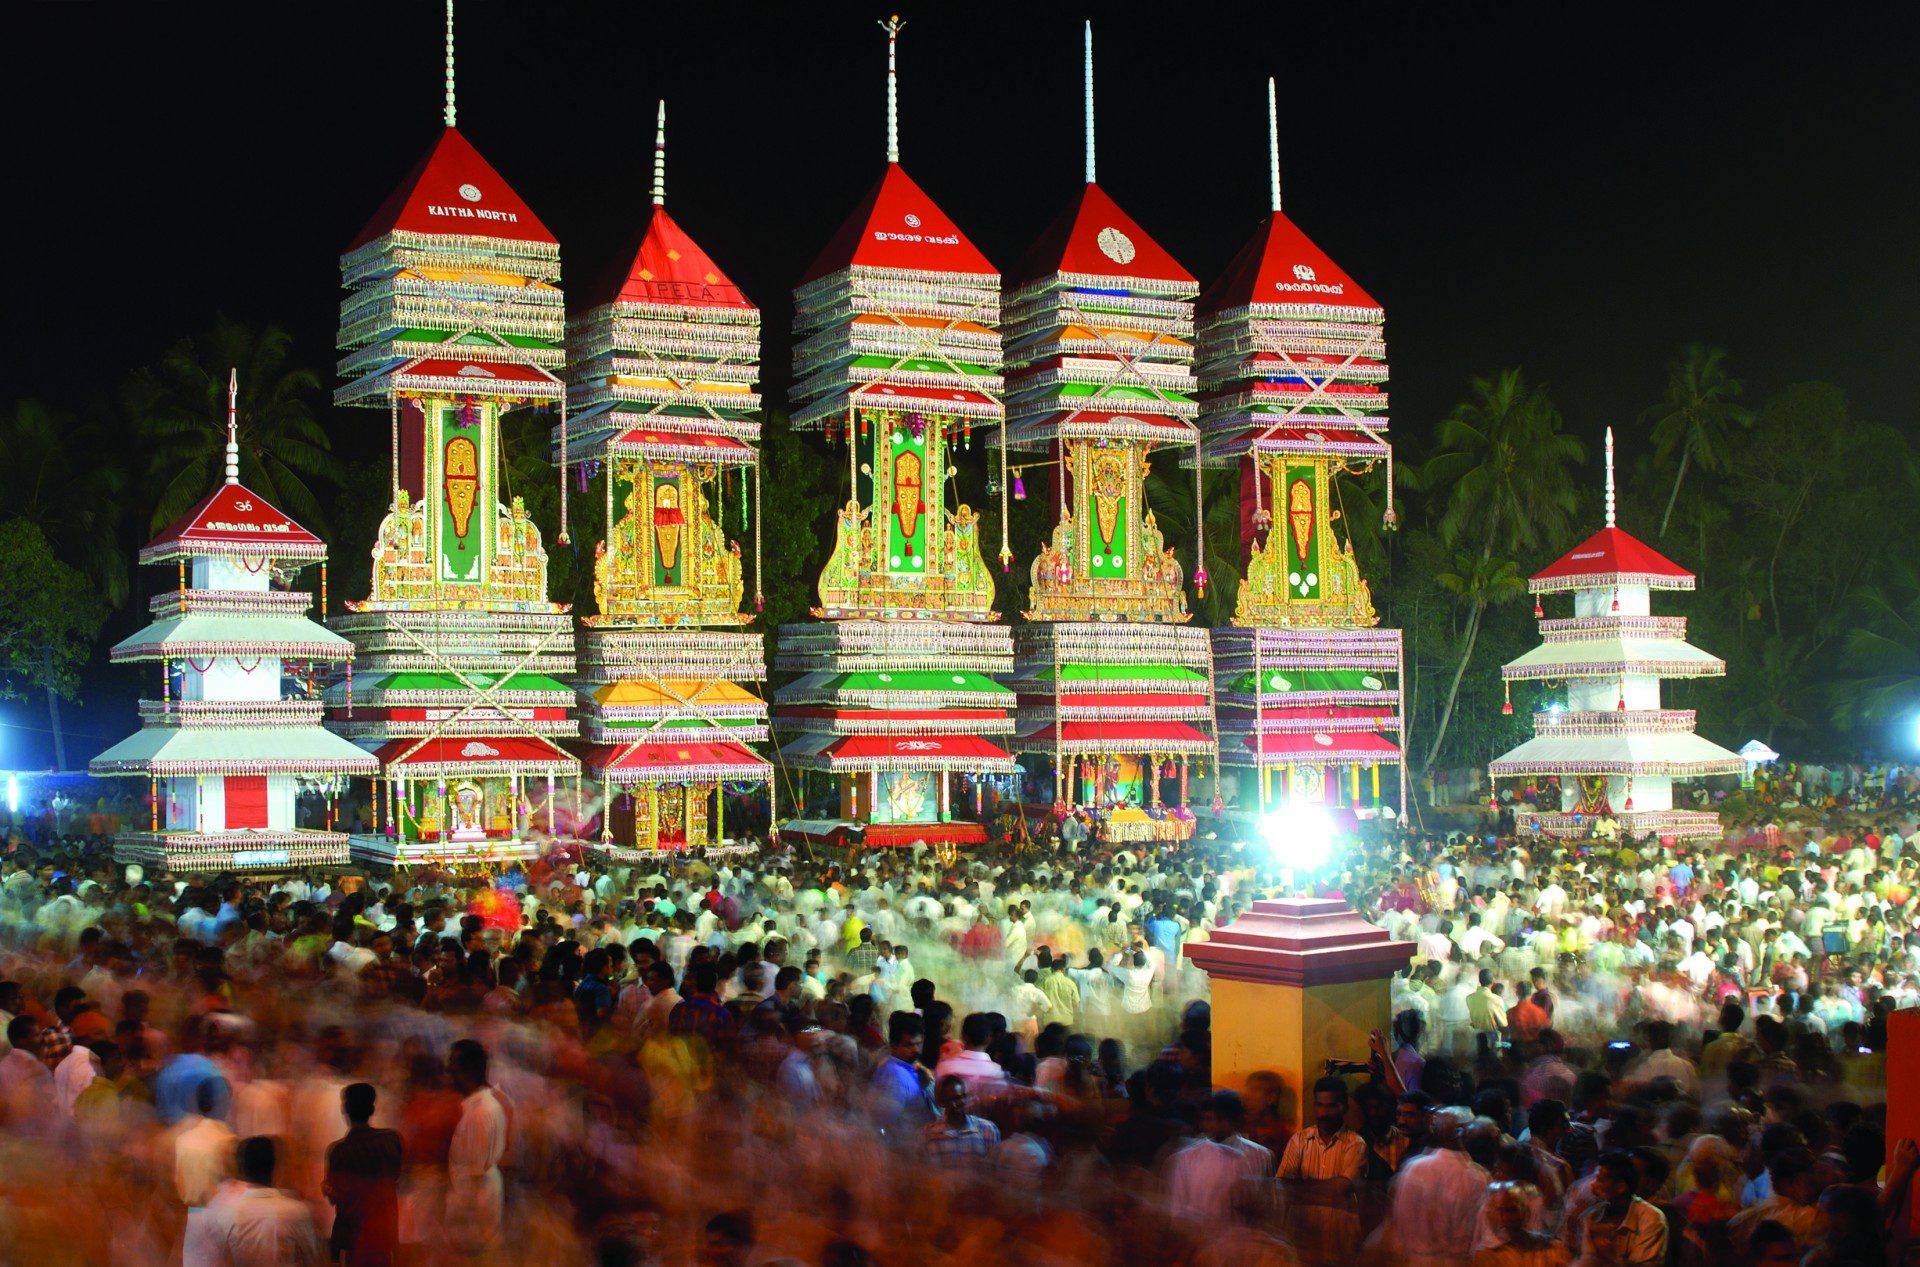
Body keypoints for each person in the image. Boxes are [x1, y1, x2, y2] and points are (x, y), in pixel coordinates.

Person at [185, 1135, 327, 1267]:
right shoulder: (297, 1212)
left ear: (241, 1169)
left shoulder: (224, 1213)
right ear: (275, 1167)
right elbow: (315, 1260)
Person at [1278, 1076, 1367, 1265]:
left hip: (1339, 1238)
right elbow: (1282, 1186)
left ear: (1345, 1107)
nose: (1324, 1113)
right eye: (1320, 1105)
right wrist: (1328, 1189)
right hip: (1302, 1237)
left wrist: (1300, 1188)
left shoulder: (1356, 1143)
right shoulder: (1299, 1140)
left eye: (1331, 1106)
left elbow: (1341, 1188)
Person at [1389, 1106, 1491, 1267]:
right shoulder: (1476, 1176)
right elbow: (1476, 1232)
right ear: (1462, 1133)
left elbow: (1400, 1222)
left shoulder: (1413, 1168)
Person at [1165, 1089, 1275, 1221]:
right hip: (1199, 1232)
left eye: (1219, 1119)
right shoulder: (1188, 1157)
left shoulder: (1260, 1155)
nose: (1211, 1124)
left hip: (1242, 1232)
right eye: (1207, 1119)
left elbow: (1268, 1206)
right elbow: (1178, 1207)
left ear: (1234, 1120)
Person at [324, 1082, 402, 1267]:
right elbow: (396, 1176)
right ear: (372, 1109)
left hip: (351, 1238)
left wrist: (326, 1188)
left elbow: (334, 1195)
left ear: (345, 1109)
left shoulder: (338, 1151)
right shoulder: (391, 1140)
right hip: (383, 1236)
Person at [445, 1039, 509, 1255]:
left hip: (476, 1208)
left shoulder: (481, 1111)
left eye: (453, 1066)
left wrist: (461, 1214)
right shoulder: (477, 1107)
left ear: (469, 1071)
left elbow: (475, 1171)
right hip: (475, 1202)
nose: (448, 1072)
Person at [1573, 1151, 1667, 1267]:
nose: (1593, 1185)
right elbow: (1586, 1260)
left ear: (1620, 1187)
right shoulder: (1592, 1216)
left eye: (1601, 1180)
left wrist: (1604, 1257)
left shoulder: (1651, 1218)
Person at [923, 1074, 1000, 1165]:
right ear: (942, 1103)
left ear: (965, 1098)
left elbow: (993, 1168)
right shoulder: (929, 1134)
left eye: (957, 1099)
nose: (954, 1105)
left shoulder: (987, 1130)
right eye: (948, 1100)